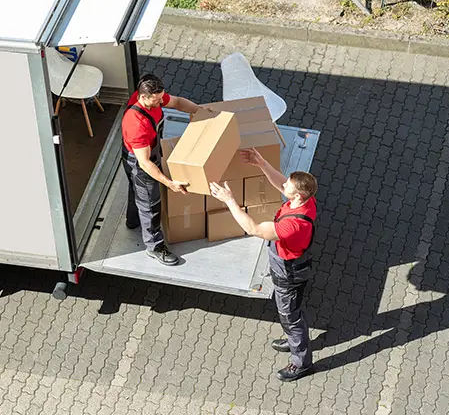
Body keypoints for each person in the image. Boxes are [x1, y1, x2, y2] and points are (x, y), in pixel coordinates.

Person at [209, 148, 318, 382]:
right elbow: (281, 184)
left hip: (289, 272)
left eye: (289, 184)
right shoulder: (306, 201)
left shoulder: (293, 226)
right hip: (292, 263)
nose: (284, 183)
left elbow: (254, 229)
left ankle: (302, 363)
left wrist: (229, 201)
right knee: (293, 312)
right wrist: (262, 163)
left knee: (291, 315)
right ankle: (293, 340)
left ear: (298, 195)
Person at [121, 74, 212, 265]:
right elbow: (145, 163)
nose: (161, 102)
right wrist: (169, 183)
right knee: (150, 204)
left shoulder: (153, 97)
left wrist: (200, 111)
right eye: (157, 100)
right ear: (143, 97)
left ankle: (132, 221)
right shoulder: (136, 123)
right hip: (141, 162)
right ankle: (154, 247)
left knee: (136, 191)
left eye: (162, 97)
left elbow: (177, 102)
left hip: (145, 153)